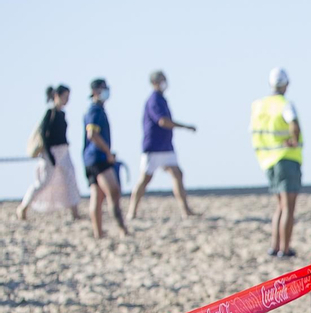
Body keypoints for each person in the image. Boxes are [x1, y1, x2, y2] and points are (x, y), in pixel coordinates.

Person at [130, 70, 197, 220]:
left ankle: (185, 210)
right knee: (145, 179)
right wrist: (185, 127)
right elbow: (163, 121)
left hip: (166, 146)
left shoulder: (162, 99)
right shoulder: (154, 100)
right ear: (154, 82)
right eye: (162, 80)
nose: (165, 82)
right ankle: (132, 211)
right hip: (153, 147)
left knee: (177, 174)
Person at [252, 67, 304, 257]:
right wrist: (293, 139)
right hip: (286, 158)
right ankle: (285, 248)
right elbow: (294, 126)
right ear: (286, 84)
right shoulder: (284, 104)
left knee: (280, 206)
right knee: (288, 207)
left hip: (267, 160)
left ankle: (274, 246)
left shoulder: (259, 106)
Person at [18, 85, 81, 221]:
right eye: (65, 97)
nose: (67, 100)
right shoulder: (50, 113)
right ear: (57, 96)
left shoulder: (62, 114)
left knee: (70, 178)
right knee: (43, 181)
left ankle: (74, 212)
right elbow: (43, 135)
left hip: (64, 151)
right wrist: (50, 155)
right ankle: (23, 207)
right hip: (51, 152)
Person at [82, 78, 128, 239]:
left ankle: (98, 232)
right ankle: (122, 229)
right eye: (103, 89)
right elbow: (92, 134)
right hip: (98, 158)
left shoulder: (96, 110)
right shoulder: (94, 110)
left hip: (90, 158)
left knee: (98, 194)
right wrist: (108, 152)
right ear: (95, 91)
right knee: (113, 192)